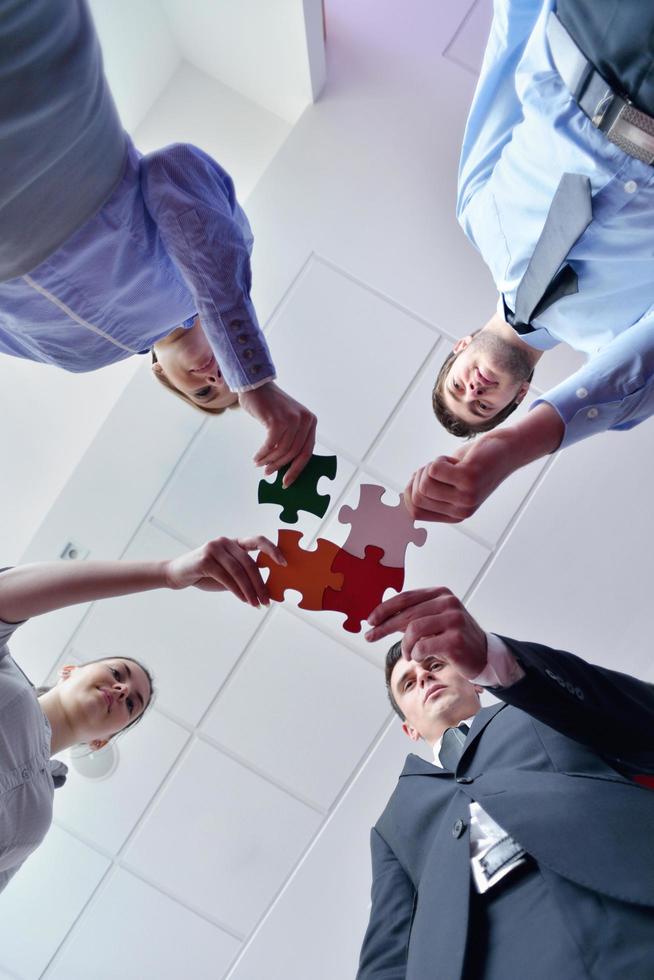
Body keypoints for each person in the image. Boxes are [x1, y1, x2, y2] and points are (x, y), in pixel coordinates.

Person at [0, 0, 315, 486]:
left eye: (207, 395)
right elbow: (175, 168)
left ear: (164, 378)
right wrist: (250, 373)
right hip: (39, 98)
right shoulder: (224, 264)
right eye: (227, 380)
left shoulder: (78, 358)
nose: (218, 379)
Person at [406, 0, 654, 524]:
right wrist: (509, 450)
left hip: (600, 32)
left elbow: (505, 59)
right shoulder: (612, 342)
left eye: (458, 387)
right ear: (519, 397)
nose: (474, 392)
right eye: (483, 407)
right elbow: (640, 374)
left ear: (460, 347)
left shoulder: (473, 211)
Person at [357, 587, 654, 979]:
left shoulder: (537, 706)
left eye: (433, 664)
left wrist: (495, 661)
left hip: (631, 901)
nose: (424, 675)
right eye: (408, 684)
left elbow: (639, 721)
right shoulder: (391, 826)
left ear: (474, 682)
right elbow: (388, 956)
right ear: (409, 728)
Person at [0, 532, 285, 893]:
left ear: (102, 741)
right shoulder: (4, 671)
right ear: (69, 671)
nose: (122, 690)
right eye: (117, 674)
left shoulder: (37, 819)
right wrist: (167, 573)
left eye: (132, 703)